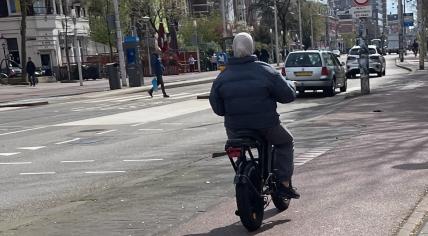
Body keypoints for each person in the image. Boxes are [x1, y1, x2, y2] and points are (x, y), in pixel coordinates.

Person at [209, 32, 300, 199]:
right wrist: (292, 85)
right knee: (286, 141)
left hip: (235, 129)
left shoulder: (222, 76)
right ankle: (284, 184)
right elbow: (287, 95)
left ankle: (244, 170)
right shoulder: (264, 70)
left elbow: (218, 109)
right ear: (252, 48)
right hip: (266, 125)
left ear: (233, 49)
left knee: (240, 152)